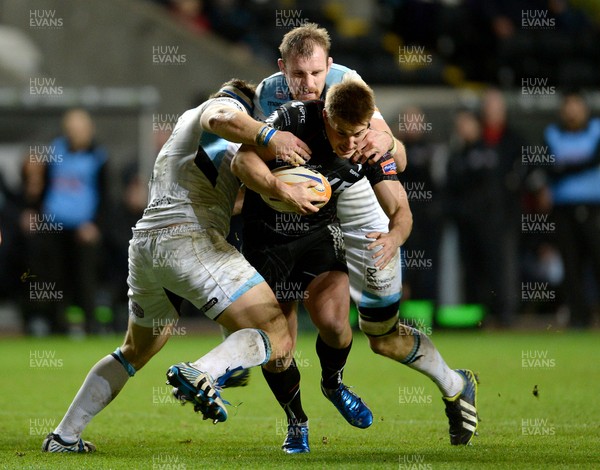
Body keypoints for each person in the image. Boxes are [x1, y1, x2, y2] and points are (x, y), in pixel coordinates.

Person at [41, 79, 310, 453]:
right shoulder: (218, 110)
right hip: (190, 237)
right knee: (277, 334)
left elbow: (228, 199)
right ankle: (203, 372)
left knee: (136, 348)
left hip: (149, 244)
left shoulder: (198, 142)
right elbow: (220, 116)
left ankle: (63, 437)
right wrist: (269, 135)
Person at [233, 77, 479, 452]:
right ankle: (296, 421)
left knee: (370, 333)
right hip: (270, 236)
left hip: (339, 230)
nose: (350, 144)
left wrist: (394, 237)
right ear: (327, 116)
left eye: (358, 134)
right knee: (279, 344)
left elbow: (401, 208)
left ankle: (346, 383)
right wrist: (277, 187)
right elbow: (242, 158)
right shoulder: (293, 115)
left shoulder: (367, 139)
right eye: (342, 134)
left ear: (328, 67)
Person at [20, 108, 107, 335]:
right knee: (54, 277)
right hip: (54, 225)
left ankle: (91, 326)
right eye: (71, 129)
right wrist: (34, 211)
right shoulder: (56, 151)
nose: (75, 134)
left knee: (85, 278)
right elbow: (44, 186)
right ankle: (56, 325)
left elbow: (105, 195)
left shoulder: (98, 157)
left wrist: (95, 224)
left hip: (83, 228)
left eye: (80, 129)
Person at [530, 91, 600, 328]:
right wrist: (569, 168)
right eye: (567, 106)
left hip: (594, 207)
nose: (571, 111)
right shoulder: (552, 134)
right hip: (563, 209)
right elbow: (546, 166)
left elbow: (592, 161)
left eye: (576, 105)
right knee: (571, 264)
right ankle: (579, 317)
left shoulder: (596, 130)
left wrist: (564, 168)